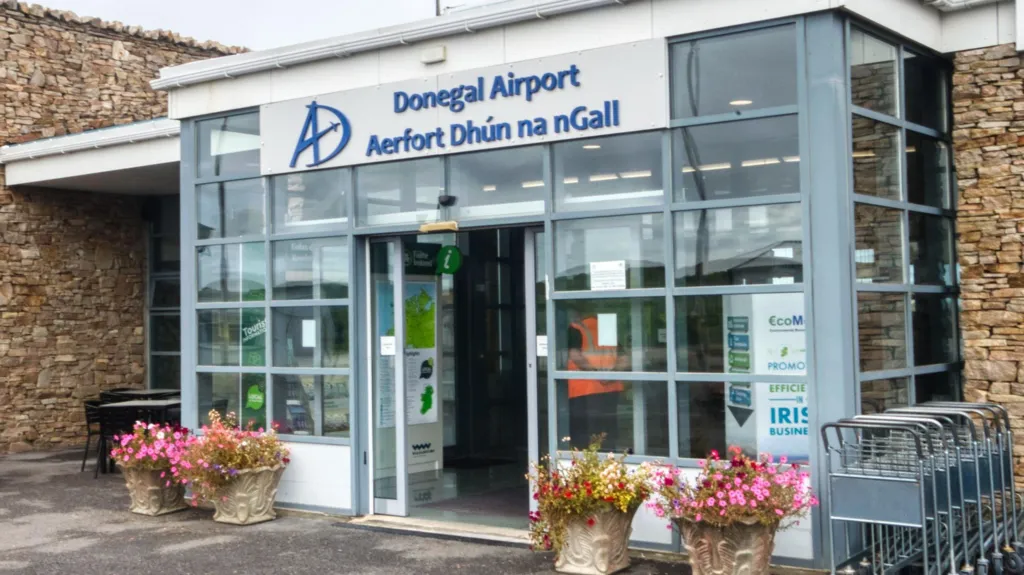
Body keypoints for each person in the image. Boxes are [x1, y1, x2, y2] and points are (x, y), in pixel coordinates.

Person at [566, 309, 628, 452]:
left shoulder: (576, 328)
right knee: (606, 430)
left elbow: (575, 356)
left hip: (584, 389)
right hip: (611, 389)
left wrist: (596, 373)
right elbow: (624, 358)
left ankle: (585, 464)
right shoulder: (606, 327)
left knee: (583, 432)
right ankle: (608, 459)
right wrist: (611, 374)